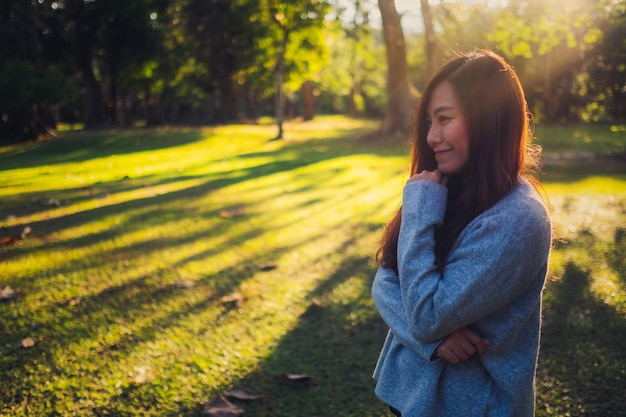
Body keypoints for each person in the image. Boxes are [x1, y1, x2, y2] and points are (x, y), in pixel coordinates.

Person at [371, 49, 552, 417]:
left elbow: (427, 316)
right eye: (428, 122)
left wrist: (430, 330)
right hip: (408, 392)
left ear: (489, 120)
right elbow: (386, 277)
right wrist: (435, 340)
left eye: (445, 119)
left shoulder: (518, 220)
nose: (432, 137)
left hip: (469, 405)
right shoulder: (448, 187)